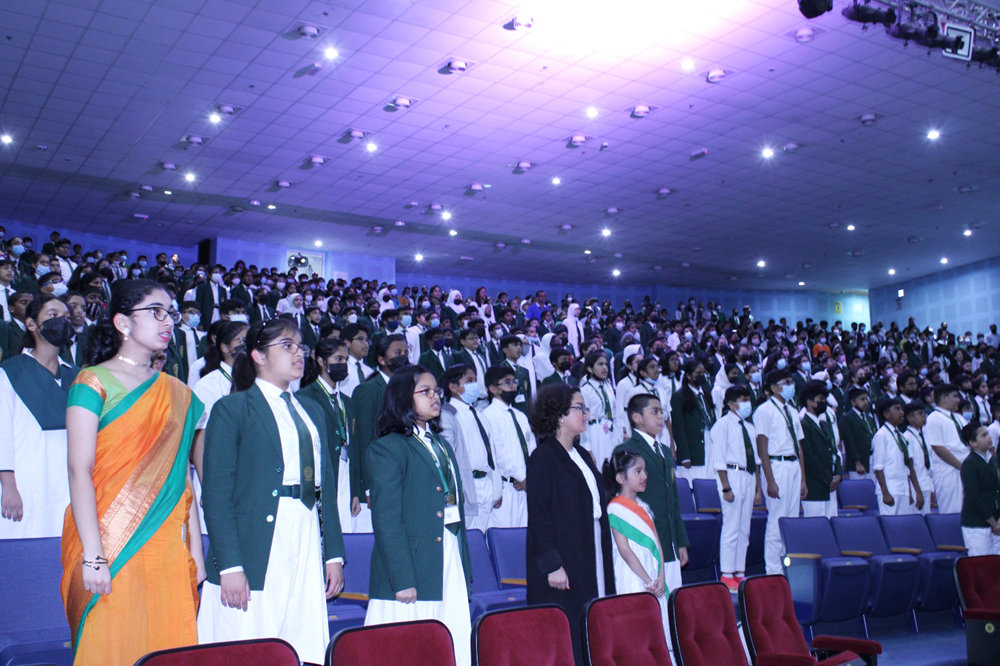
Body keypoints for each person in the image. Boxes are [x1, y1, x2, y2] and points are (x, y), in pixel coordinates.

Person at [61, 279, 205, 665]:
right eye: (156, 312)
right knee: (110, 644)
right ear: (123, 323)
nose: (168, 321)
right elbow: (79, 470)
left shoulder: (179, 394)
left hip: (166, 548)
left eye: (171, 313)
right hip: (109, 542)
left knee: (167, 644)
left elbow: (184, 478)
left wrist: (198, 554)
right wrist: (93, 556)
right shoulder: (92, 382)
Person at [198, 318, 345, 664]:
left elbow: (327, 489)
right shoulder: (233, 408)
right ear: (258, 356)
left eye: (301, 347)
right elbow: (216, 494)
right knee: (248, 641)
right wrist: (229, 565)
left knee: (299, 639)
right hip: (257, 540)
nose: (299, 353)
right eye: (287, 346)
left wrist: (333, 555)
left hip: (306, 532)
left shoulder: (312, 411)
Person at [364, 365, 472, 666]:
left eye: (436, 390)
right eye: (425, 391)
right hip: (411, 563)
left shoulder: (441, 445)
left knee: (451, 641)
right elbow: (387, 519)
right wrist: (402, 579)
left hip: (446, 550)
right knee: (405, 650)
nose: (435, 396)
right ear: (401, 398)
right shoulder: (387, 448)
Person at [526, 384, 614, 666]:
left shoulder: (583, 455)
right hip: (565, 556)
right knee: (567, 628)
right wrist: (552, 564)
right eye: (579, 408)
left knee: (594, 621)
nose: (586, 413)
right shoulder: (543, 457)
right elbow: (539, 516)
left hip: (591, 547)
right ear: (559, 415)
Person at [0, 295, 80, 537]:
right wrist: (8, 486)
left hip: (68, 482)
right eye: (53, 315)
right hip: (26, 480)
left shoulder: (77, 376)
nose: (62, 322)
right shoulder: (10, 371)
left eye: (66, 317)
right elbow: (2, 434)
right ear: (32, 324)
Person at [604, 450, 670, 646]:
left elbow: (657, 543)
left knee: (658, 626)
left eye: (645, 471)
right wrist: (648, 581)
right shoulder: (615, 508)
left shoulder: (644, 506)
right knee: (636, 628)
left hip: (652, 571)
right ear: (621, 478)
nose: (645, 476)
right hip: (632, 574)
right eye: (638, 471)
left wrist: (661, 577)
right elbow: (624, 550)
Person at [297, 338, 362, 535]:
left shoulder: (347, 402)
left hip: (346, 471)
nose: (342, 364)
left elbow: (355, 448)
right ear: (321, 361)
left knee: (345, 531)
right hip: (323, 472)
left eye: (345, 359)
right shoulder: (305, 397)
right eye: (337, 359)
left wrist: (356, 492)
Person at [352, 333, 408, 532]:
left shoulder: (407, 390)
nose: (403, 356)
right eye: (397, 352)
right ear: (382, 359)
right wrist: (367, 486)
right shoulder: (367, 390)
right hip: (378, 479)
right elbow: (364, 442)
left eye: (406, 352)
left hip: (403, 475)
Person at [754, 369, 807, 575]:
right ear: (775, 388)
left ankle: (787, 568)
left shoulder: (792, 411)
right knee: (777, 519)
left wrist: (803, 479)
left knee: (791, 520)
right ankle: (773, 571)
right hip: (777, 465)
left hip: (793, 465)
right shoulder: (764, 411)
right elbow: (762, 448)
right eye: (786, 382)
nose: (790, 385)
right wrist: (770, 480)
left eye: (791, 381)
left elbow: (799, 447)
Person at [709, 385, 761, 590]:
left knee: (744, 528)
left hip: (747, 476)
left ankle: (740, 571)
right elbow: (719, 459)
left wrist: (757, 489)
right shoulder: (722, 425)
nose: (747, 403)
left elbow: (755, 460)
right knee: (731, 527)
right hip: (731, 475)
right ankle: (726, 572)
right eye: (742, 399)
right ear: (731, 403)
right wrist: (725, 488)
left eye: (749, 399)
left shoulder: (750, 427)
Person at [439, 364, 499, 533]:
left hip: (485, 482)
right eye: (469, 381)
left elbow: (490, 453)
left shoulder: (479, 414)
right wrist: (456, 488)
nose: (475, 385)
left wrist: (496, 488)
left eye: (475, 380)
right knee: (468, 537)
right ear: (453, 387)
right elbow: (447, 456)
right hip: (467, 484)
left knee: (484, 535)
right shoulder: (447, 414)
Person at [481, 364, 536, 528]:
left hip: (526, 486)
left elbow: (532, 448)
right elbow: (500, 453)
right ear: (493, 389)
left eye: (514, 382)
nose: (513, 387)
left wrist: (531, 477)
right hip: (507, 487)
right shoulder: (489, 416)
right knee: (505, 538)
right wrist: (521, 477)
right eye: (507, 383)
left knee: (526, 537)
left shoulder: (520, 416)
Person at [799, 380, 843, 519]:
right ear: (810, 402)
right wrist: (828, 478)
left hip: (831, 485)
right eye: (821, 400)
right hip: (815, 485)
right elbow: (809, 457)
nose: (824, 403)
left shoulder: (825, 425)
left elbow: (835, 452)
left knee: (832, 523)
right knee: (816, 526)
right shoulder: (803, 424)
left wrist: (838, 475)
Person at [926, 384, 970, 514]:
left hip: (966, 468)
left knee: (968, 510)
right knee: (952, 510)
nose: (958, 400)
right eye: (955, 396)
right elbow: (937, 447)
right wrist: (960, 466)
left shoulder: (959, 418)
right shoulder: (933, 418)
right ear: (944, 398)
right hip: (948, 471)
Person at [959, 422, 1000, 555]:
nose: (989, 437)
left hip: (996, 523)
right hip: (976, 524)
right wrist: (993, 523)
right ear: (973, 443)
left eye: (988, 433)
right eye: (984, 435)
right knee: (981, 565)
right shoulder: (969, 464)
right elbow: (973, 497)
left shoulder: (992, 460)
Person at [671, 359, 715, 481]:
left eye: (703, 373)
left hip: (709, 442)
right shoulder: (679, 396)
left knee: (710, 480)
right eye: (698, 373)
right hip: (693, 447)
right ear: (689, 376)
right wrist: (685, 456)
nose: (702, 376)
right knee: (695, 482)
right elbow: (678, 428)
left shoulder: (705, 393)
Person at [579, 351, 618, 466]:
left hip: (611, 430)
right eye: (600, 364)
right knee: (600, 468)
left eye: (605, 364)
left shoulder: (608, 385)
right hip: (595, 433)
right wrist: (587, 447)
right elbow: (583, 420)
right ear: (590, 369)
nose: (604, 368)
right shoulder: (585, 390)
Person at [902, 401, 935, 515]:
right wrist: (917, 491)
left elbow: (928, 464)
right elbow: (909, 467)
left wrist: (932, 489)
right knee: (916, 519)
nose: (924, 416)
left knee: (928, 518)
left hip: (926, 483)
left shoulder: (924, 436)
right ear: (910, 418)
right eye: (920, 413)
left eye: (925, 413)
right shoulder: (906, 437)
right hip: (915, 486)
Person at [839, 388, 876, 480]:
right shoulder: (847, 418)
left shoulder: (868, 418)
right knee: (861, 489)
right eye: (862, 399)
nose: (866, 402)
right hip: (857, 463)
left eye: (866, 399)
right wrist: (857, 462)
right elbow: (849, 442)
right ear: (853, 402)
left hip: (871, 459)